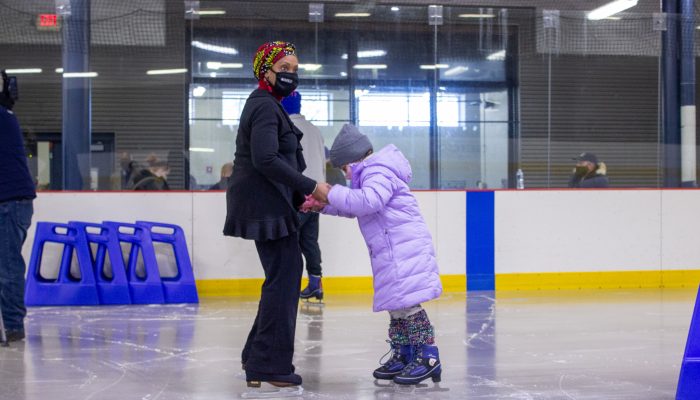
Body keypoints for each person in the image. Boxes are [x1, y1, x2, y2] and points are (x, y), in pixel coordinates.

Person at [222, 41, 330, 390]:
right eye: (284, 69)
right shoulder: (265, 107)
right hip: (263, 203)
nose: (291, 76)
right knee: (284, 276)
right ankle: (269, 364)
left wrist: (299, 193)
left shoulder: (267, 105)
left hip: (268, 200)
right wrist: (311, 187)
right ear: (264, 71)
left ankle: (257, 355)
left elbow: (274, 159)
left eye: (295, 70)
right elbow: (266, 159)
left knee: (282, 276)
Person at [304, 124, 443, 385]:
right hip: (391, 250)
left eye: (344, 168)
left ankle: (428, 355)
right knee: (396, 306)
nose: (345, 175)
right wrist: (322, 206)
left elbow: (368, 201)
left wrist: (331, 192)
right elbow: (359, 207)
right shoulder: (371, 173)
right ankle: (405, 353)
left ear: (353, 160)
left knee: (408, 304)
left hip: (403, 249)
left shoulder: (377, 171)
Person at [0, 70, 36, 342]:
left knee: (8, 265)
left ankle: (13, 327)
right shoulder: (5, 116)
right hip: (13, 202)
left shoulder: (2, 117)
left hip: (9, 204)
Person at [281, 92, 326, 301]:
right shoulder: (315, 130)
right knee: (310, 241)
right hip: (316, 194)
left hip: (296, 196)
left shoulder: (284, 128)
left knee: (289, 243)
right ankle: (316, 284)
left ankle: (288, 287)